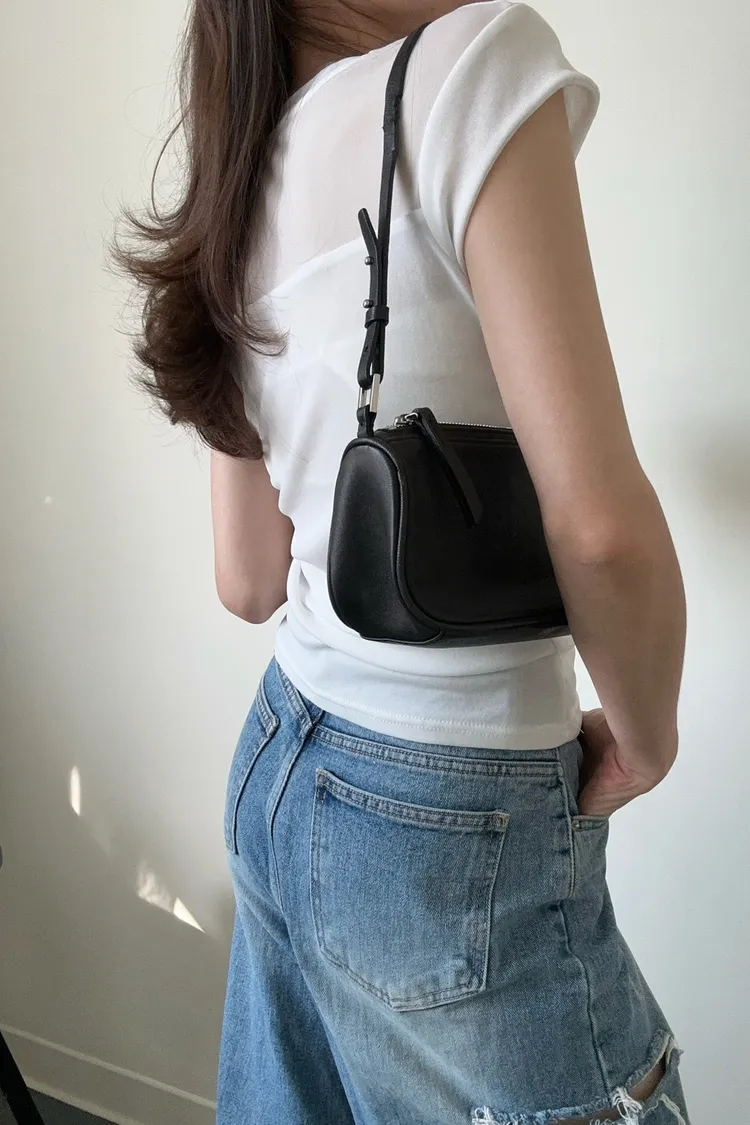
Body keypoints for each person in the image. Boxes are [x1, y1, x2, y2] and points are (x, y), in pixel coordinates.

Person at [118, 0, 690, 1121]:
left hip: (282, 758)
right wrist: (645, 737)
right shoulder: (476, 63)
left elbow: (246, 578)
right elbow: (600, 529)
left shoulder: (238, 177)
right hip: (450, 820)